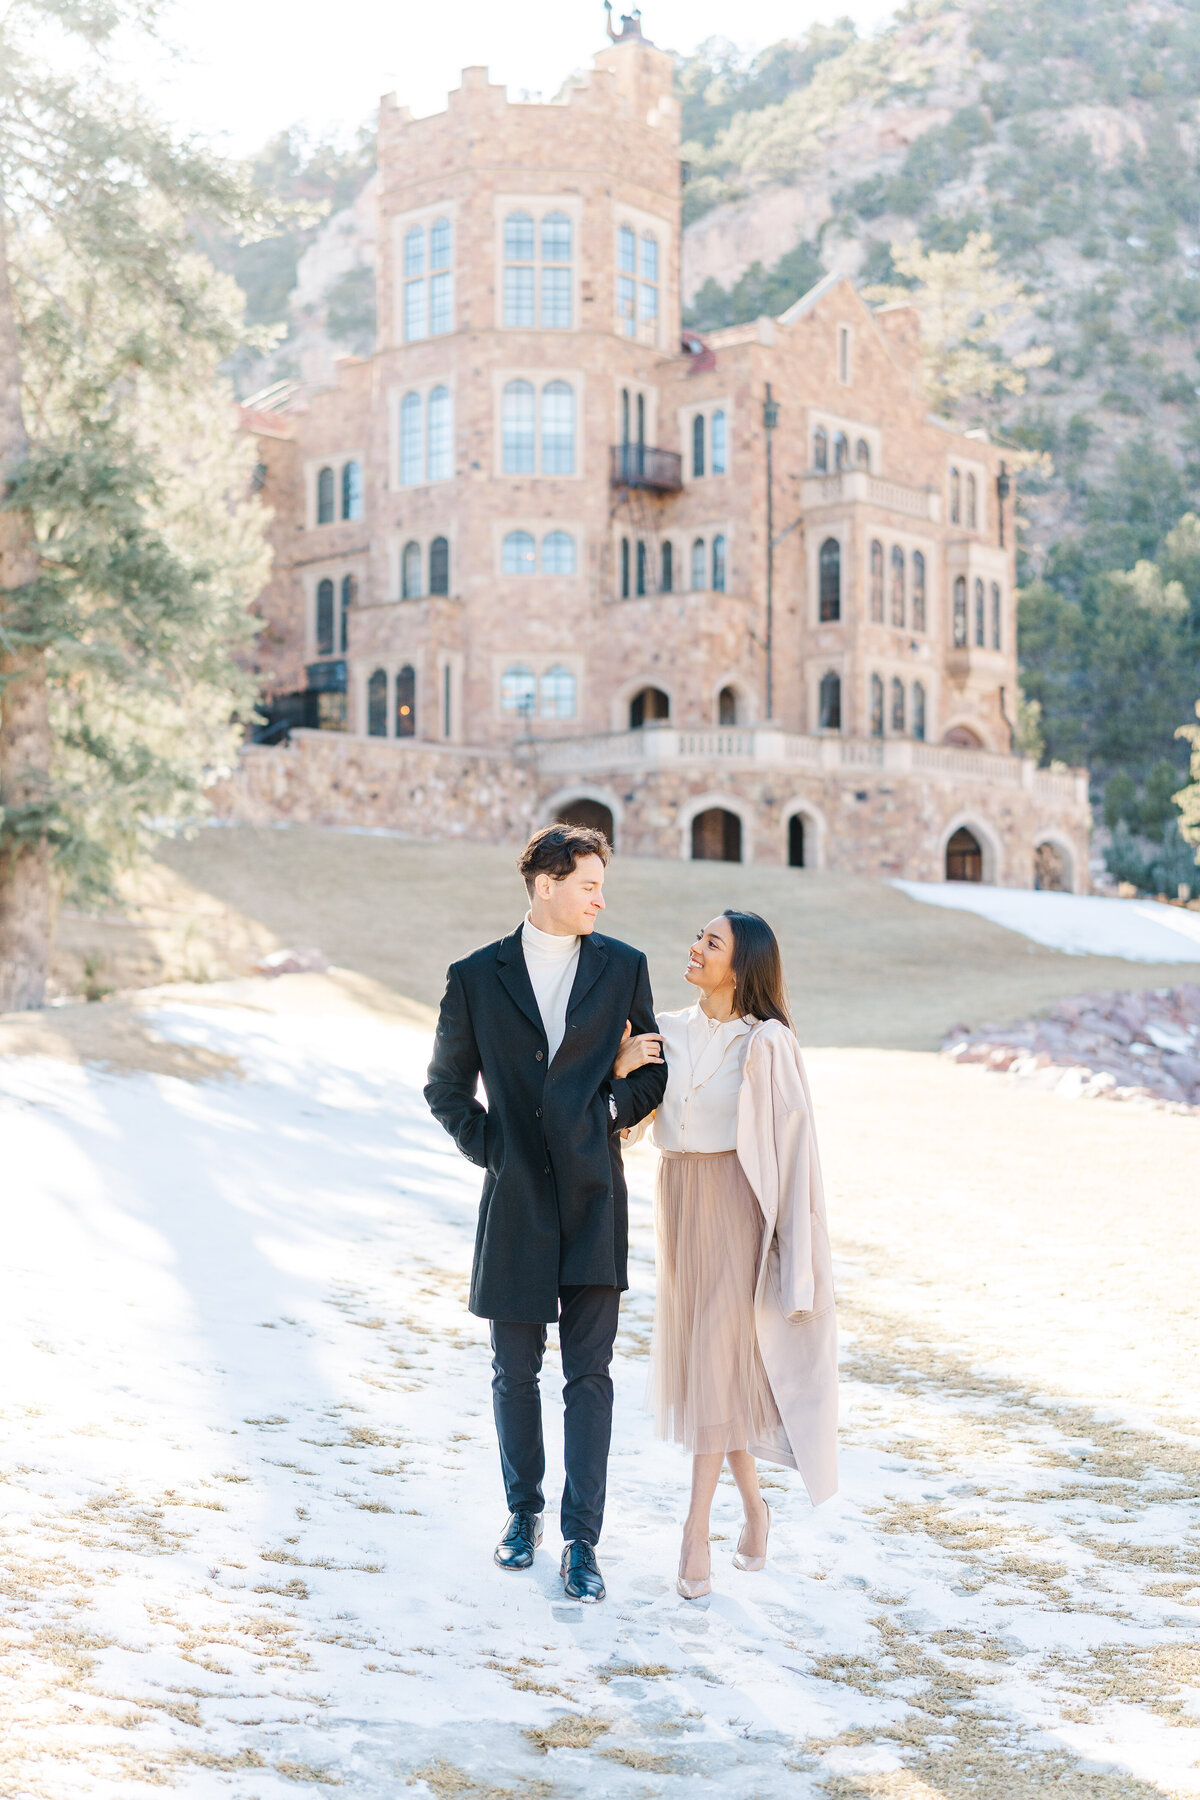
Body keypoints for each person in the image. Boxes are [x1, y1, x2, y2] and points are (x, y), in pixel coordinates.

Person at [424, 824, 666, 1604]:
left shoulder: (625, 967)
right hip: (516, 1201)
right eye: (588, 884)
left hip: (598, 1200)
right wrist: (492, 1148)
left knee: (589, 1377)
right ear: (545, 885)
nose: (601, 897)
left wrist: (606, 1108)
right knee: (513, 1372)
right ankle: (522, 1514)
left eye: (602, 885)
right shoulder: (474, 977)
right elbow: (445, 1088)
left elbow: (652, 1072)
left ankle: (583, 1541)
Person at [613, 909, 837, 1599]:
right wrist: (622, 1070)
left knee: (713, 1358)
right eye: (698, 937)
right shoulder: (667, 1031)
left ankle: (694, 1530)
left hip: (740, 1209)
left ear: (742, 967)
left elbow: (799, 1156)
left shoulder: (766, 1043)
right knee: (714, 1368)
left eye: (713, 942)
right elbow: (624, 1121)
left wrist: (800, 1258)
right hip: (678, 1200)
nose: (696, 947)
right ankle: (755, 1509)